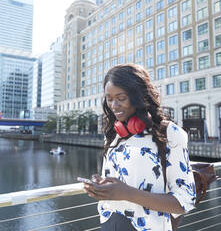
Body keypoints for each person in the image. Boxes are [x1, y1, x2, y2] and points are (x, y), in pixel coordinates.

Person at [82, 64, 196, 230]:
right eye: (109, 99)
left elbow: (185, 201)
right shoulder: (114, 134)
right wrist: (101, 186)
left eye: (121, 98)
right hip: (109, 223)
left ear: (139, 96)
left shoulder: (169, 133)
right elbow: (116, 182)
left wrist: (127, 193)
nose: (114, 105)